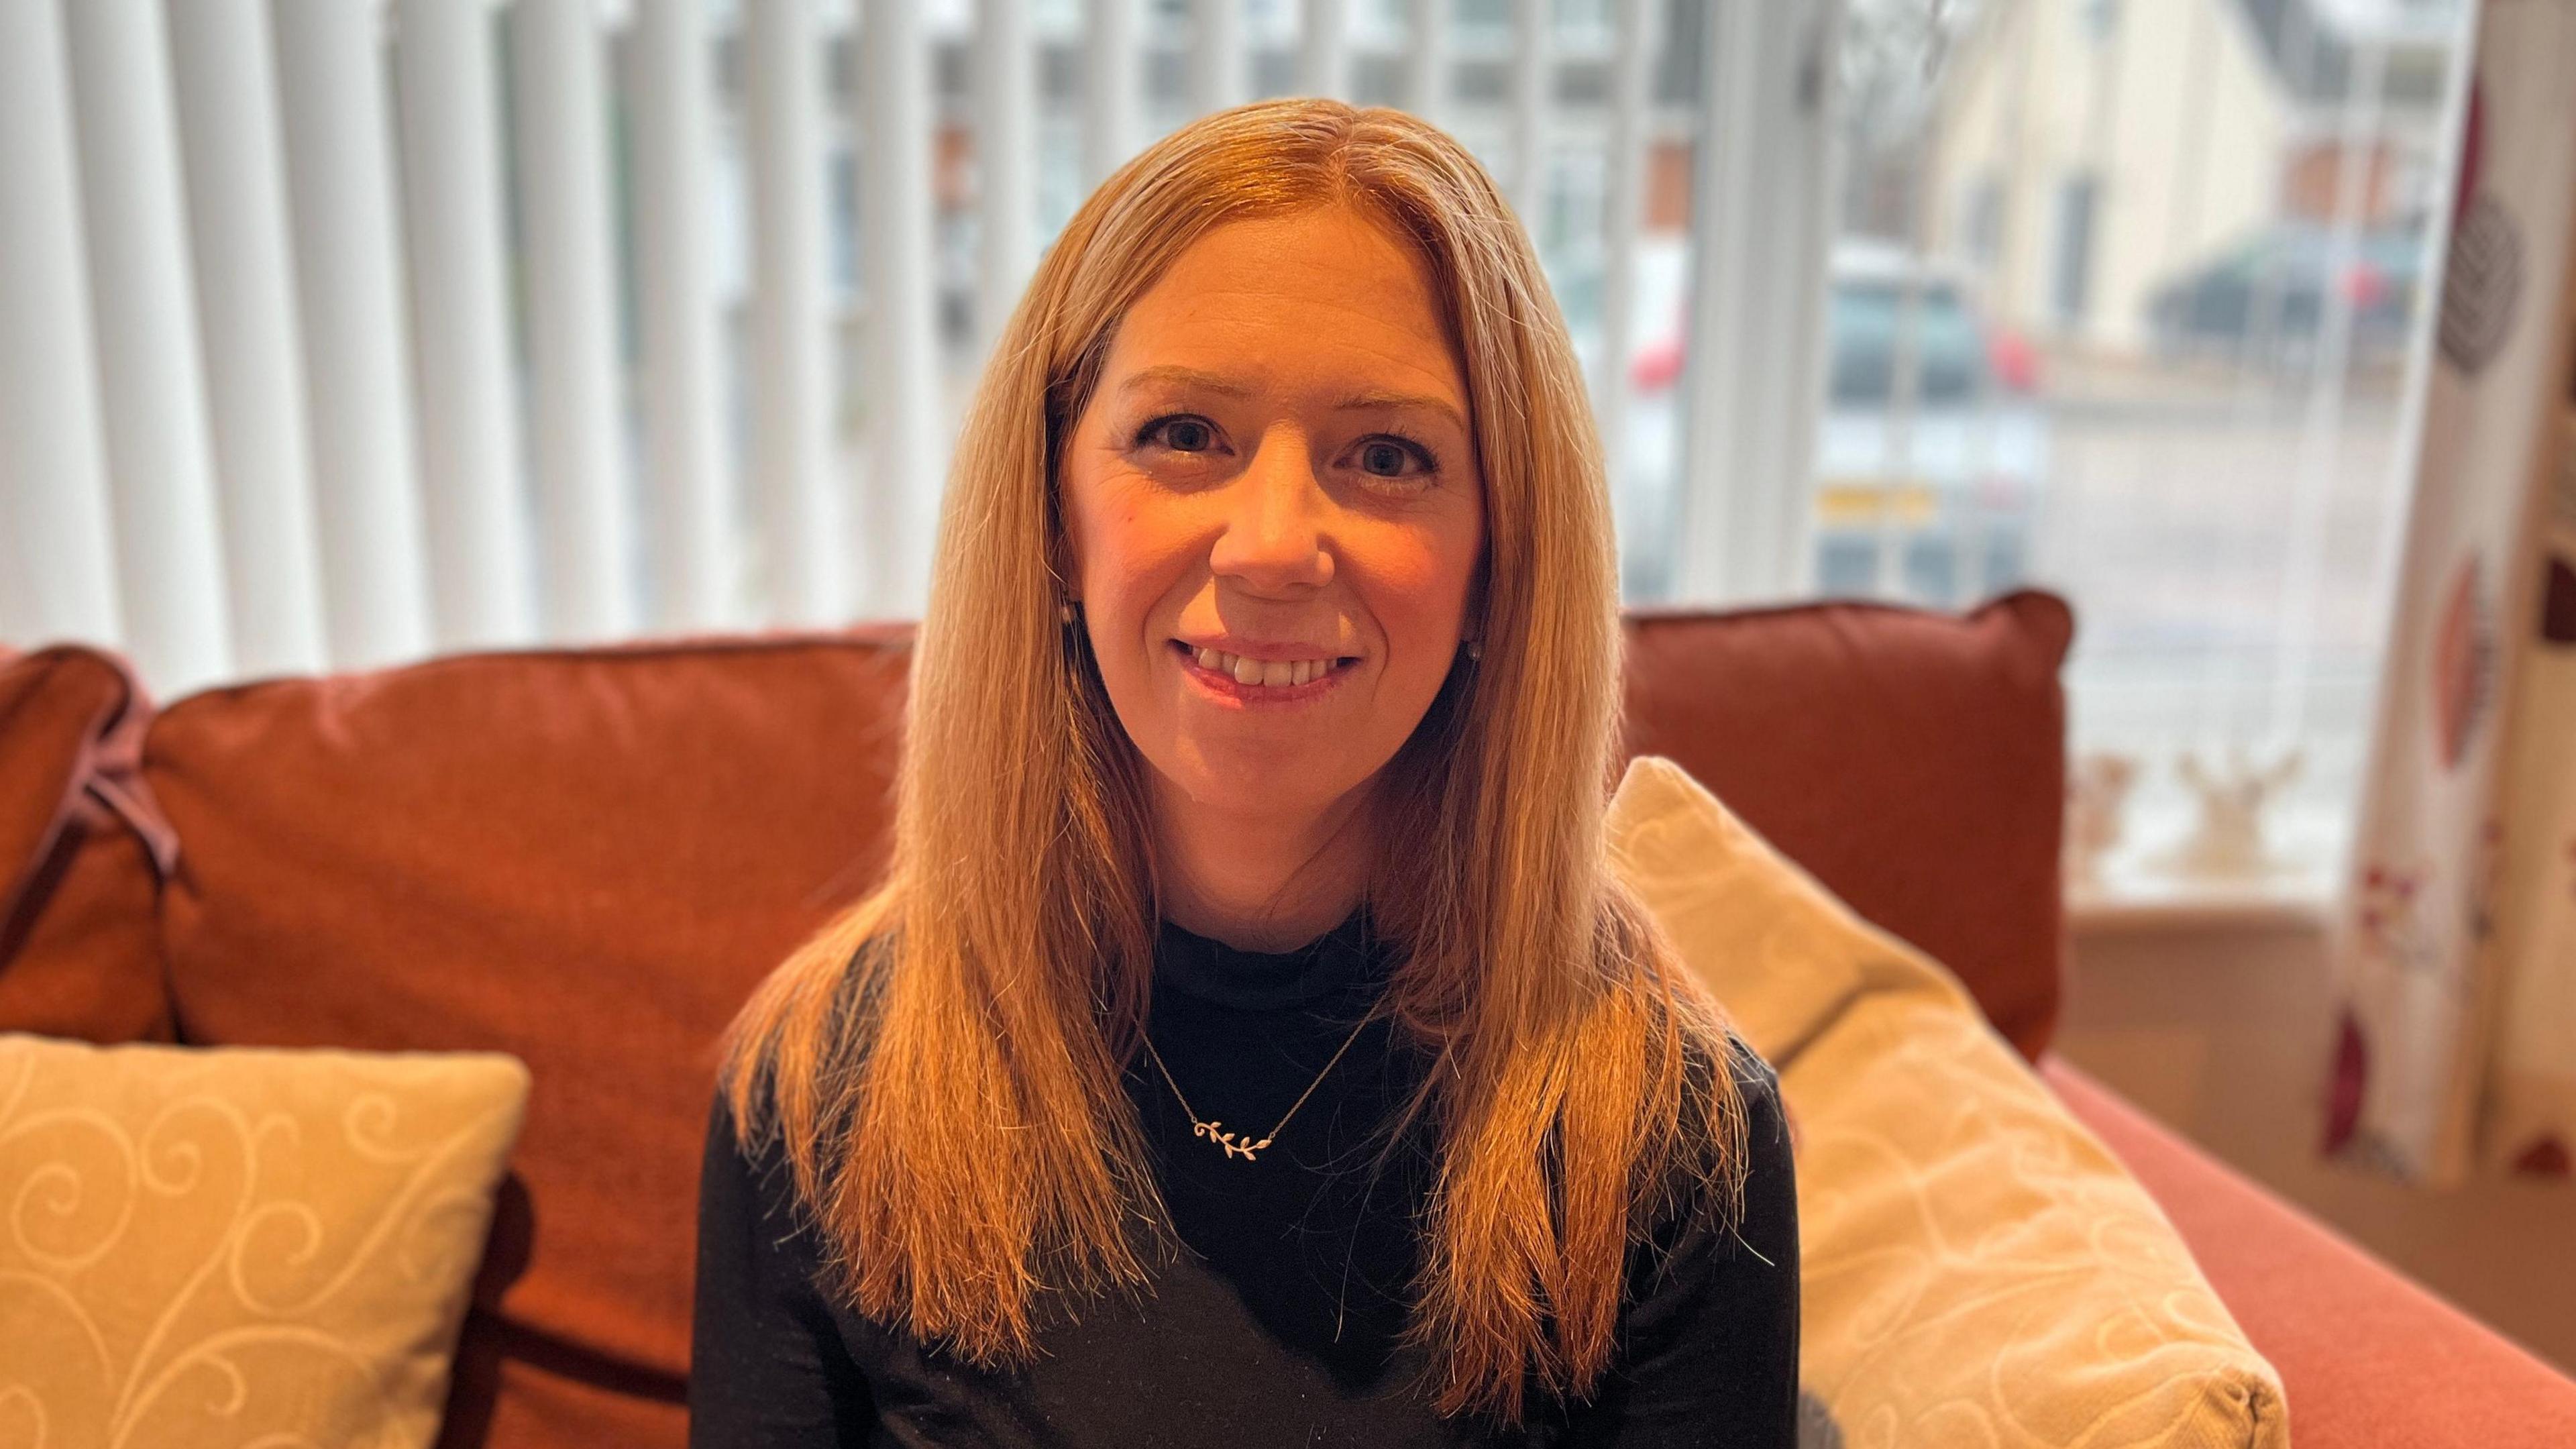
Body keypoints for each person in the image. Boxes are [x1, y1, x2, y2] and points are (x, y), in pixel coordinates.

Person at [690, 97, 1799, 1447]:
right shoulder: (819, 1093)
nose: (1272, 545)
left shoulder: (1672, 1139)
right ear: (1049, 516)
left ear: (1498, 566)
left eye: (1386, 456)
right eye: (1184, 435)